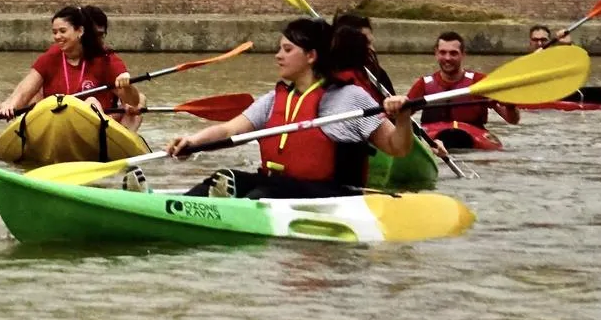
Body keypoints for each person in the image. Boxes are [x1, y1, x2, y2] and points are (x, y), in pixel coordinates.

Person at [166, 19, 415, 199]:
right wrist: (192, 141)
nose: (277, 56)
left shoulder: (350, 98)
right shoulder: (273, 100)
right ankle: (173, 205)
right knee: (226, 176)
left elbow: (398, 147)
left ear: (311, 56)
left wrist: (402, 117)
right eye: (279, 49)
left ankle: (230, 208)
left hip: (333, 195)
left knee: (265, 192)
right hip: (275, 187)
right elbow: (230, 130)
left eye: (287, 49)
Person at [0, 6, 144, 127]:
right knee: (35, 97)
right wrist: (11, 104)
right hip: (55, 122)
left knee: (91, 101)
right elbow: (25, 87)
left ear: (80, 31)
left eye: (63, 31)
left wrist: (128, 87)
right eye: (55, 32)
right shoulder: (51, 57)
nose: (57, 37)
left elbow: (133, 101)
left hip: (95, 123)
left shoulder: (104, 59)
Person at [405, 32, 520, 128]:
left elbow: (513, 121)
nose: (447, 58)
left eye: (453, 53)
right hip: (435, 141)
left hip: (472, 141)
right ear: (436, 53)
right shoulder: (423, 84)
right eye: (443, 52)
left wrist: (510, 106)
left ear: (463, 54)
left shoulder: (481, 82)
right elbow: (401, 116)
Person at [332, 11, 395, 96]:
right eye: (366, 43)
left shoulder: (378, 74)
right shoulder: (329, 79)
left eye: (371, 43)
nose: (373, 49)